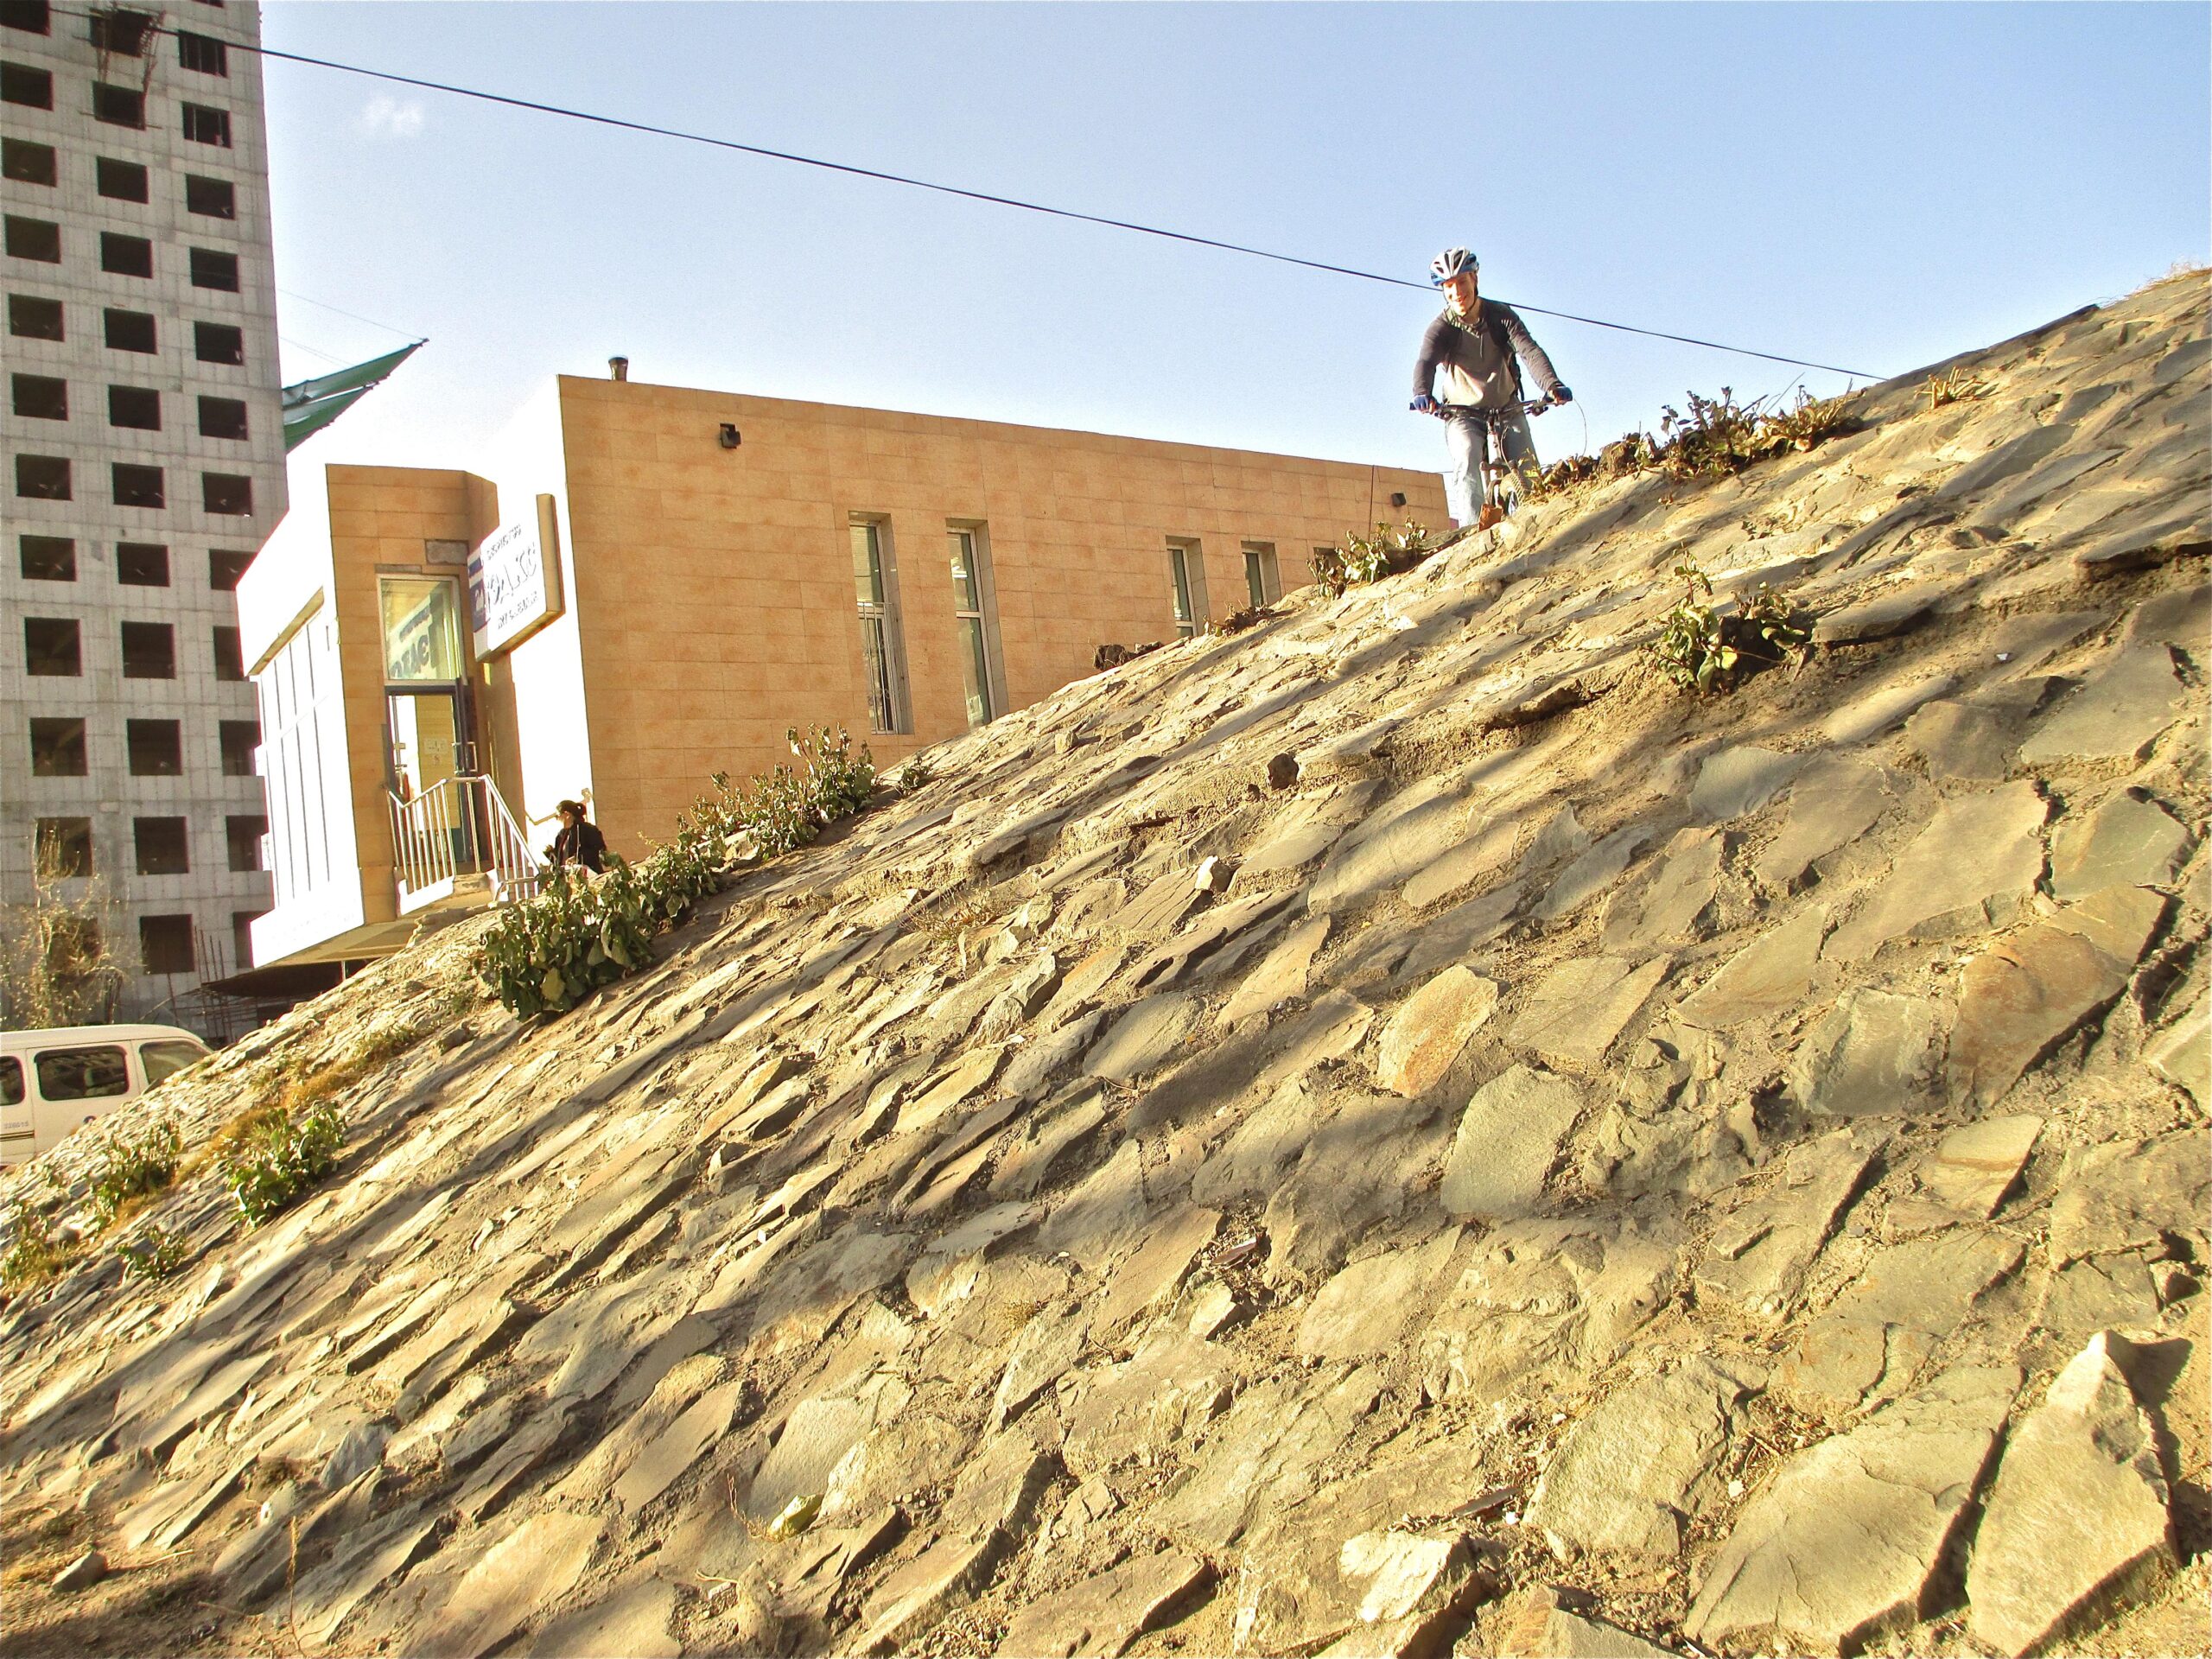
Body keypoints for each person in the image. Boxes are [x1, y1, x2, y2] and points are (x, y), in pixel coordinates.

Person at [1411, 246, 1573, 529]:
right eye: (1449, 287)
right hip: (1462, 414)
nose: (1457, 292)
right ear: (1443, 292)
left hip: (1507, 406)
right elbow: (1426, 361)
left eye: (1462, 282)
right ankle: (1472, 533)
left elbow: (1529, 350)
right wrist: (1422, 393)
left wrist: (1552, 385)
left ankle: (1535, 528)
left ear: (1474, 279)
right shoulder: (1441, 328)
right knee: (1467, 458)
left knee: (1528, 467)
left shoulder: (1500, 316)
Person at [545, 798, 607, 873]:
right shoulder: (561, 835)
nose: (557, 819)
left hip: (587, 876)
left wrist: (578, 858)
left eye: (557, 816)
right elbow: (560, 861)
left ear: (567, 815)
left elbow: (599, 851)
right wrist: (550, 853)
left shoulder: (588, 829)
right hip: (568, 877)